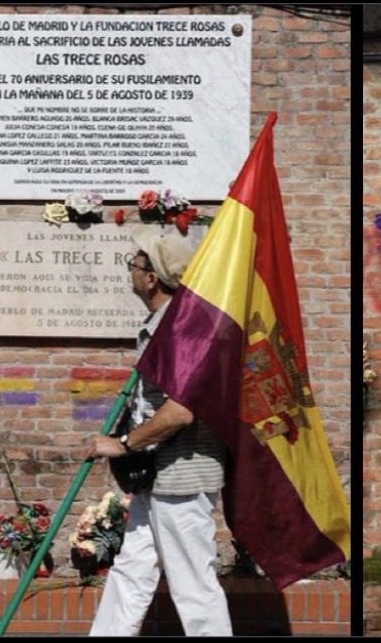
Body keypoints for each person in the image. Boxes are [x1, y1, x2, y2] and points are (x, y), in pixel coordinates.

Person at [83, 226, 232, 637]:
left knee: (193, 586)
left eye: (134, 264)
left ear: (151, 278)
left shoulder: (182, 332)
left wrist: (124, 444)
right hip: (158, 476)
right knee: (132, 569)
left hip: (182, 478)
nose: (129, 270)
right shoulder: (162, 326)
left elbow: (180, 412)